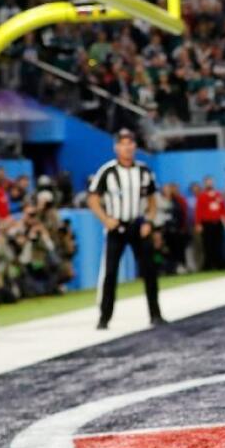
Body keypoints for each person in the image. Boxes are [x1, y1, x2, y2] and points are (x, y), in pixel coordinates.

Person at [86, 129, 165, 329]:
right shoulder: (108, 171)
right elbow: (93, 199)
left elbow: (152, 200)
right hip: (117, 226)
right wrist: (106, 219)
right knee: (110, 273)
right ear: (116, 147)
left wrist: (149, 221)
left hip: (138, 225)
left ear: (135, 147)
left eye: (130, 144)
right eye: (123, 144)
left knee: (149, 270)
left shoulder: (144, 171)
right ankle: (104, 318)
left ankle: (155, 314)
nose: (127, 148)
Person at [194, 176, 225, 270]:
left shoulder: (218, 195)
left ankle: (219, 264)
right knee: (207, 245)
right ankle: (208, 265)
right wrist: (198, 223)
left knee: (218, 244)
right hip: (207, 224)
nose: (209, 184)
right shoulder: (202, 196)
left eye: (211, 182)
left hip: (218, 223)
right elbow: (198, 211)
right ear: (204, 183)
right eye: (207, 182)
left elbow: (223, 209)